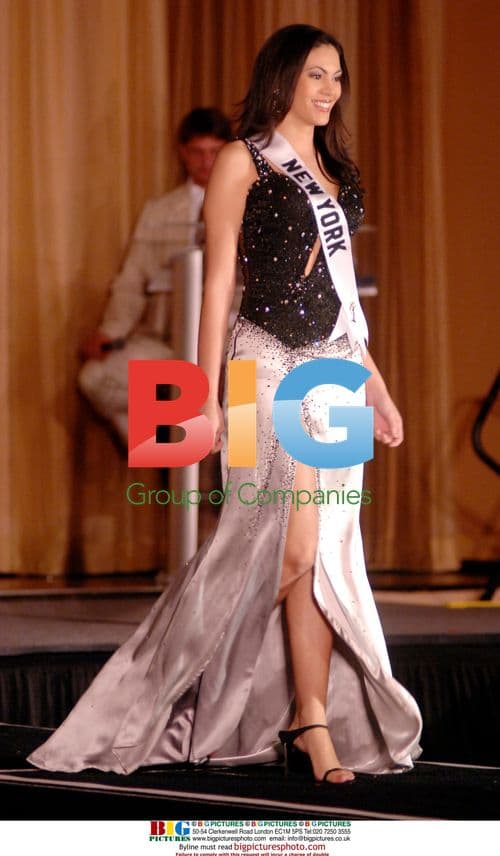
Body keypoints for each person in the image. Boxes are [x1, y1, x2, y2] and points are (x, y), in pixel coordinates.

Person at [29, 24, 422, 784]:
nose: (329, 89)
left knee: (327, 557)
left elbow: (341, 299)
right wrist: (207, 394)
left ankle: (311, 720)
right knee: (279, 550)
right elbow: (217, 287)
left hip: (337, 370)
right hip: (260, 365)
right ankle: (177, 681)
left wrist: (376, 384)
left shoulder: (339, 173)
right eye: (315, 74)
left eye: (337, 76)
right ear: (283, 77)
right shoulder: (244, 160)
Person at [79, 107, 232, 443]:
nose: (206, 162)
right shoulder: (160, 211)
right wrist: (110, 331)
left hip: (231, 342)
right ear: (183, 152)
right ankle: (165, 446)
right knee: (96, 377)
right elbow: (133, 278)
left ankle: (223, 460)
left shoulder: (248, 205)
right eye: (197, 152)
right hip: (168, 339)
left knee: (243, 421)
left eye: (214, 152)